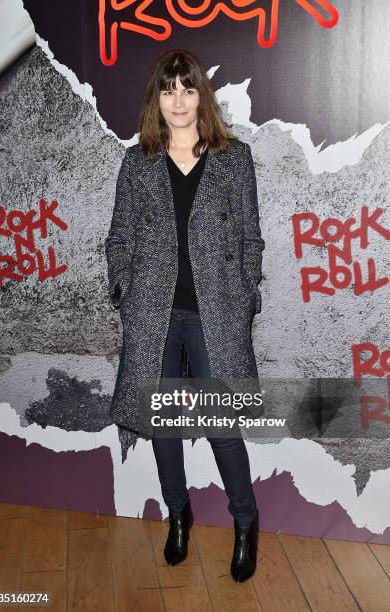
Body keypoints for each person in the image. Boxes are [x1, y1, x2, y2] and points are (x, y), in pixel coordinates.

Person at [105, 49, 265, 583]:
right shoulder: (138, 161)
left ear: (202, 95)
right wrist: (127, 293)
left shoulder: (233, 158)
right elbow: (120, 237)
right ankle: (179, 515)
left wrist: (242, 303)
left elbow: (250, 239)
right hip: (156, 316)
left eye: (187, 88)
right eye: (168, 89)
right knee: (164, 428)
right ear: (157, 97)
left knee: (222, 427)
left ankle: (246, 523)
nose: (178, 100)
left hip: (216, 315)